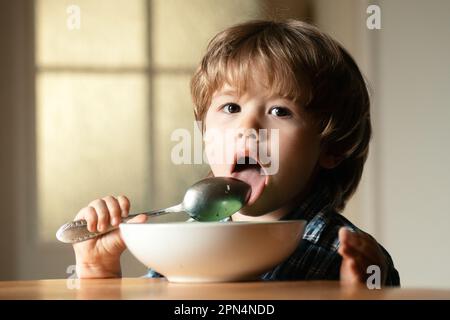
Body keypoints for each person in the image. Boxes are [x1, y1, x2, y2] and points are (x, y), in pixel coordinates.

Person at [72, 19, 400, 286]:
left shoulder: (346, 258)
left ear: (332, 146)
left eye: (280, 112)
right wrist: (98, 273)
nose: (248, 127)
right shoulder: (186, 243)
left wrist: (363, 294)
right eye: (231, 107)